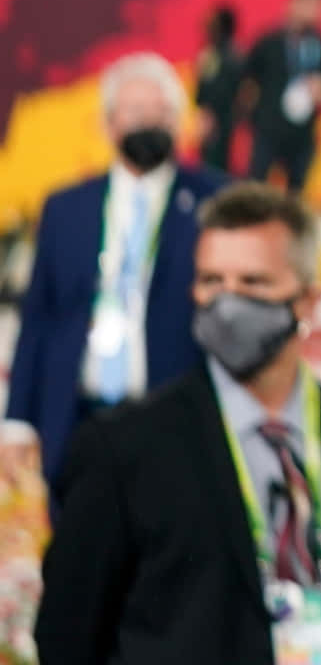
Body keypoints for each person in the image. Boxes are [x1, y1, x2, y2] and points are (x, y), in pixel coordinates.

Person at [35, 184, 321, 665]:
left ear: (308, 302)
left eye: (253, 282)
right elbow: (68, 636)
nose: (228, 302)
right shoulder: (123, 449)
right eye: (211, 280)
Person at [3, 53, 221, 486]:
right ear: (108, 124)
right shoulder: (66, 208)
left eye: (162, 113)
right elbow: (39, 317)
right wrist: (18, 421)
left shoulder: (214, 202)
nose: (149, 123)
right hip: (78, 419)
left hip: (175, 421)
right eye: (136, 112)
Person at [243, 0, 321, 195]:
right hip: (269, 128)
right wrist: (251, 116)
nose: (312, 11)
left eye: (316, 6)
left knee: (296, 190)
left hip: (303, 132)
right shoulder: (270, 41)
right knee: (256, 186)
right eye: (306, 4)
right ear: (292, 5)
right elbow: (248, 79)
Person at [197, 4, 248, 174]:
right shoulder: (236, 54)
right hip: (228, 119)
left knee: (213, 166)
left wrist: (207, 113)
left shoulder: (216, 55)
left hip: (219, 120)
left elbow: (211, 87)